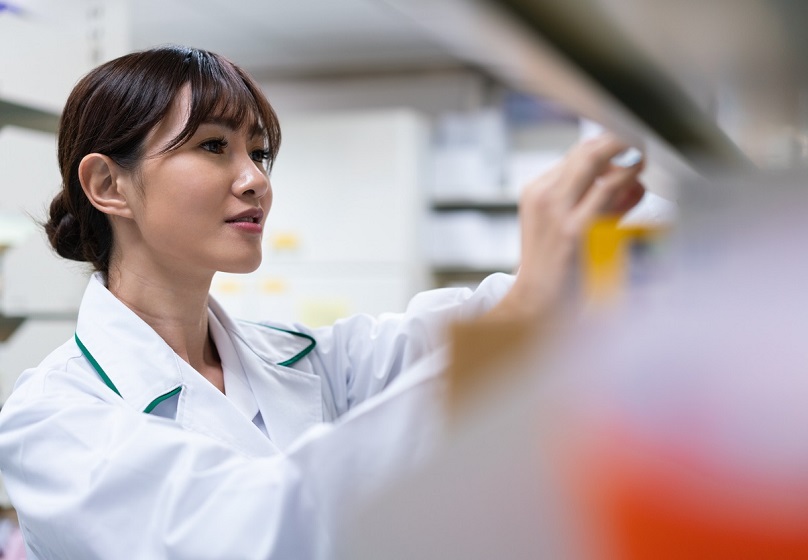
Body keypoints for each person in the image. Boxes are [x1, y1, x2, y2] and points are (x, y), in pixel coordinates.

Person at [0, 45, 644, 559]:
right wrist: (523, 312)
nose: (255, 179)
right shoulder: (52, 421)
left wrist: (595, 247)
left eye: (259, 152)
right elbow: (257, 533)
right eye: (213, 146)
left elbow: (456, 328)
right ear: (107, 183)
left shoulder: (299, 359)